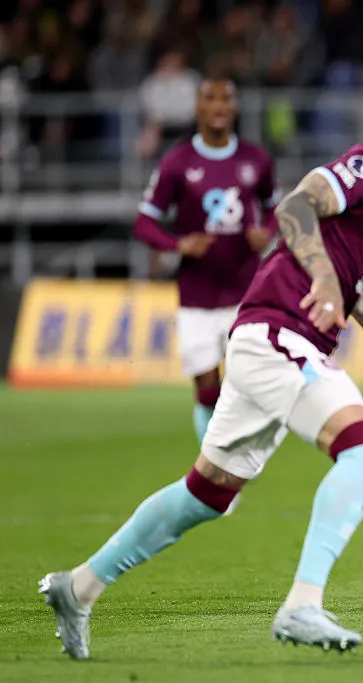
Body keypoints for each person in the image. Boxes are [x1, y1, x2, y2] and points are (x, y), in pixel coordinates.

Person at [39, 72, 363, 659]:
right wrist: (323, 277)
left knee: (205, 493)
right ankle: (302, 605)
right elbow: (297, 203)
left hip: (267, 341)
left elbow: (354, 288)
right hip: (280, 335)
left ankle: (78, 587)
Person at [134, 74, 278, 445]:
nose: (218, 106)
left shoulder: (255, 159)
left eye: (226, 98)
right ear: (198, 107)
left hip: (246, 289)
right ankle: (212, 462)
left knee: (245, 380)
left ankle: (234, 460)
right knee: (207, 388)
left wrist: (266, 231)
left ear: (235, 106)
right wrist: (178, 244)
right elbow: (144, 222)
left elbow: (275, 207)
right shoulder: (177, 161)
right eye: (210, 98)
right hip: (196, 293)